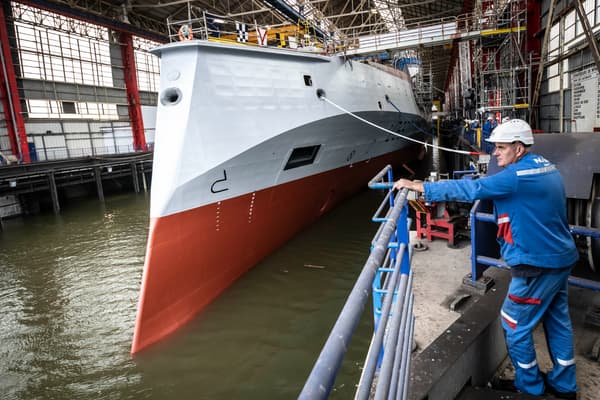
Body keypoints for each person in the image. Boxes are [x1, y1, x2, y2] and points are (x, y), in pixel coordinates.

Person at [393, 119, 578, 399]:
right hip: (561, 257)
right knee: (557, 320)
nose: (495, 154)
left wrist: (420, 187)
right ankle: (565, 387)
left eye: (501, 148)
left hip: (536, 265)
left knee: (513, 324)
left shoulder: (515, 177)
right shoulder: (546, 166)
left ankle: (530, 388)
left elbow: (471, 191)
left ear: (518, 149)